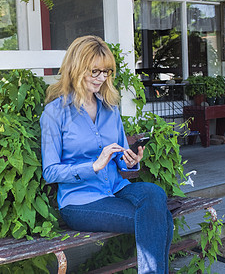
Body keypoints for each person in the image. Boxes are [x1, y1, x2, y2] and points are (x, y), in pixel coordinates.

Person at [40, 35, 173, 274]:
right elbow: (50, 171)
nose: (102, 78)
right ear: (77, 69)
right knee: (160, 219)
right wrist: (93, 166)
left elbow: (122, 155)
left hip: (116, 189)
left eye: (107, 72)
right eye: (95, 71)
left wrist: (131, 161)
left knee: (155, 193)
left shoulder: (110, 108)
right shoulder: (54, 113)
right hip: (80, 201)